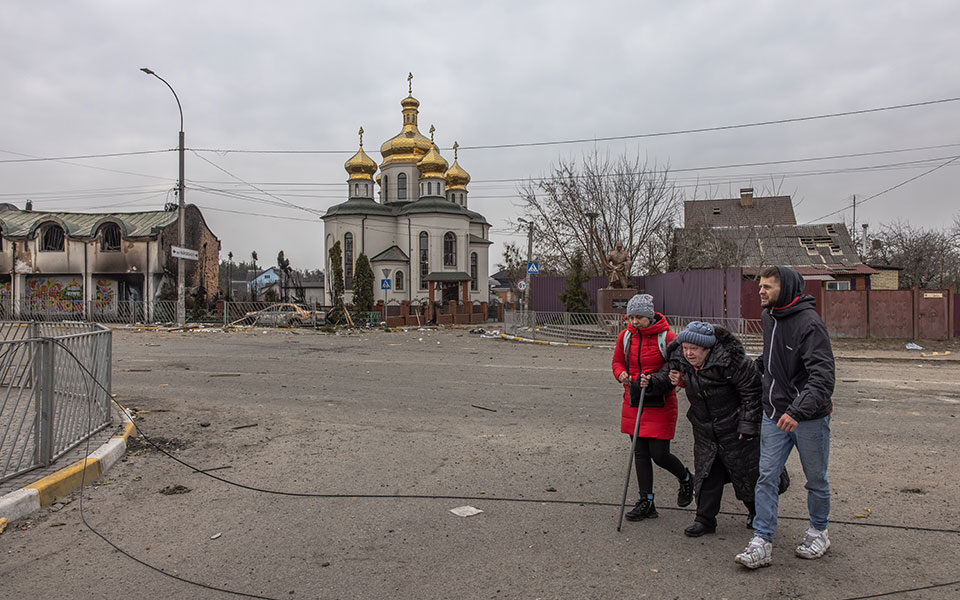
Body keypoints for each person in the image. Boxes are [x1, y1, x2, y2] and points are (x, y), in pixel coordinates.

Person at [735, 265, 835, 569]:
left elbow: (823, 377)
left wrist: (797, 410)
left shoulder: (809, 324)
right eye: (761, 286)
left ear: (787, 289)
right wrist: (755, 367)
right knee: (766, 476)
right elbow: (774, 356)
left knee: (815, 479)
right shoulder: (769, 317)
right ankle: (762, 540)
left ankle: (819, 532)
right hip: (774, 414)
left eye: (768, 287)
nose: (761, 291)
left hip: (809, 418)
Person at [641, 321, 764, 537]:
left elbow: (751, 394)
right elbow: (665, 376)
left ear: (708, 349)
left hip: (733, 426)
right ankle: (705, 519)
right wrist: (652, 382)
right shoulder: (680, 358)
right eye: (685, 347)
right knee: (707, 473)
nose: (688, 353)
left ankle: (756, 512)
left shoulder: (734, 363)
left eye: (694, 349)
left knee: (744, 472)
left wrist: (748, 424)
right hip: (704, 427)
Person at [612, 293, 693, 521]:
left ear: (649, 316)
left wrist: (659, 379)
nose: (634, 322)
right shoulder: (625, 337)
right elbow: (617, 361)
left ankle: (686, 478)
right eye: (631, 317)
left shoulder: (668, 338)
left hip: (660, 402)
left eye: (639, 317)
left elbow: (678, 368)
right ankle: (646, 501)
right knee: (639, 453)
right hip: (634, 400)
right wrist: (621, 374)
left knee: (659, 454)